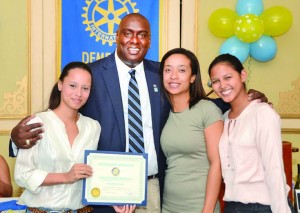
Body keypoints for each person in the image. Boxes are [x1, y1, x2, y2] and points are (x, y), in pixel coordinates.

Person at [9, 13, 268, 213]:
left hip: (155, 187)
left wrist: (243, 99)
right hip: (105, 190)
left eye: (142, 35)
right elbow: (63, 111)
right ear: (117, 36)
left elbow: (196, 104)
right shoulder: (93, 74)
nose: (135, 41)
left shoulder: (163, 74)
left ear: (149, 40)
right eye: (128, 33)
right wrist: (15, 139)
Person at [208, 53, 291, 213]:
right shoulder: (223, 118)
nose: (222, 85)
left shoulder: (262, 113)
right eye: (216, 81)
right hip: (232, 205)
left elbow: (274, 169)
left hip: (263, 206)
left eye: (228, 77)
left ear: (243, 75)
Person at [14, 62, 101, 213]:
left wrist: (116, 198)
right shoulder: (38, 122)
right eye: (72, 86)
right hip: (41, 210)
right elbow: (23, 175)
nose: (78, 93)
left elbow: (94, 173)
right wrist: (66, 177)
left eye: (85, 88)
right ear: (60, 85)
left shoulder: (93, 127)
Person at [159, 48, 223, 213]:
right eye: (168, 70)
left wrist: (207, 210)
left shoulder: (207, 110)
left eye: (181, 70)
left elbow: (217, 163)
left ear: (193, 77)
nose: (173, 76)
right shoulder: (163, 113)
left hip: (199, 206)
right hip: (168, 206)